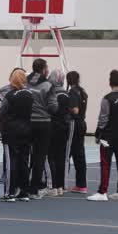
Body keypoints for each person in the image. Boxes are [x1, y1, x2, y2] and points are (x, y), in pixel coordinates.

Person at [88, 70, 118, 202]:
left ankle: (102, 192)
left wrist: (97, 134)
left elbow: (103, 119)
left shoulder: (107, 98)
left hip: (108, 137)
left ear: (110, 82)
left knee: (106, 164)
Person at [0, 68, 33, 202]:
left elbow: (2, 113)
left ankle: (10, 192)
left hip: (11, 131)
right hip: (26, 130)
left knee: (11, 161)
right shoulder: (29, 95)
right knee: (24, 161)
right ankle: (24, 191)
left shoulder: (10, 95)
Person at [26, 59, 58, 199]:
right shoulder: (48, 85)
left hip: (27, 122)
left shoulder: (24, 82)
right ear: (44, 69)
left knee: (25, 155)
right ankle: (34, 190)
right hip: (43, 123)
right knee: (39, 156)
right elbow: (53, 106)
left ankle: (22, 187)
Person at [46, 69, 71, 197]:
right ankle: (61, 186)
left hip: (53, 126)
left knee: (51, 156)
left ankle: (53, 186)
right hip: (64, 127)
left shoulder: (52, 92)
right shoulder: (66, 93)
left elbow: (51, 109)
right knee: (61, 157)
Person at [67, 71, 89, 194]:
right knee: (80, 155)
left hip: (74, 124)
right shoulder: (83, 92)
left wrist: (66, 106)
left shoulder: (72, 92)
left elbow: (75, 110)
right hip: (82, 123)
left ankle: (61, 182)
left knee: (67, 154)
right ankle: (81, 185)